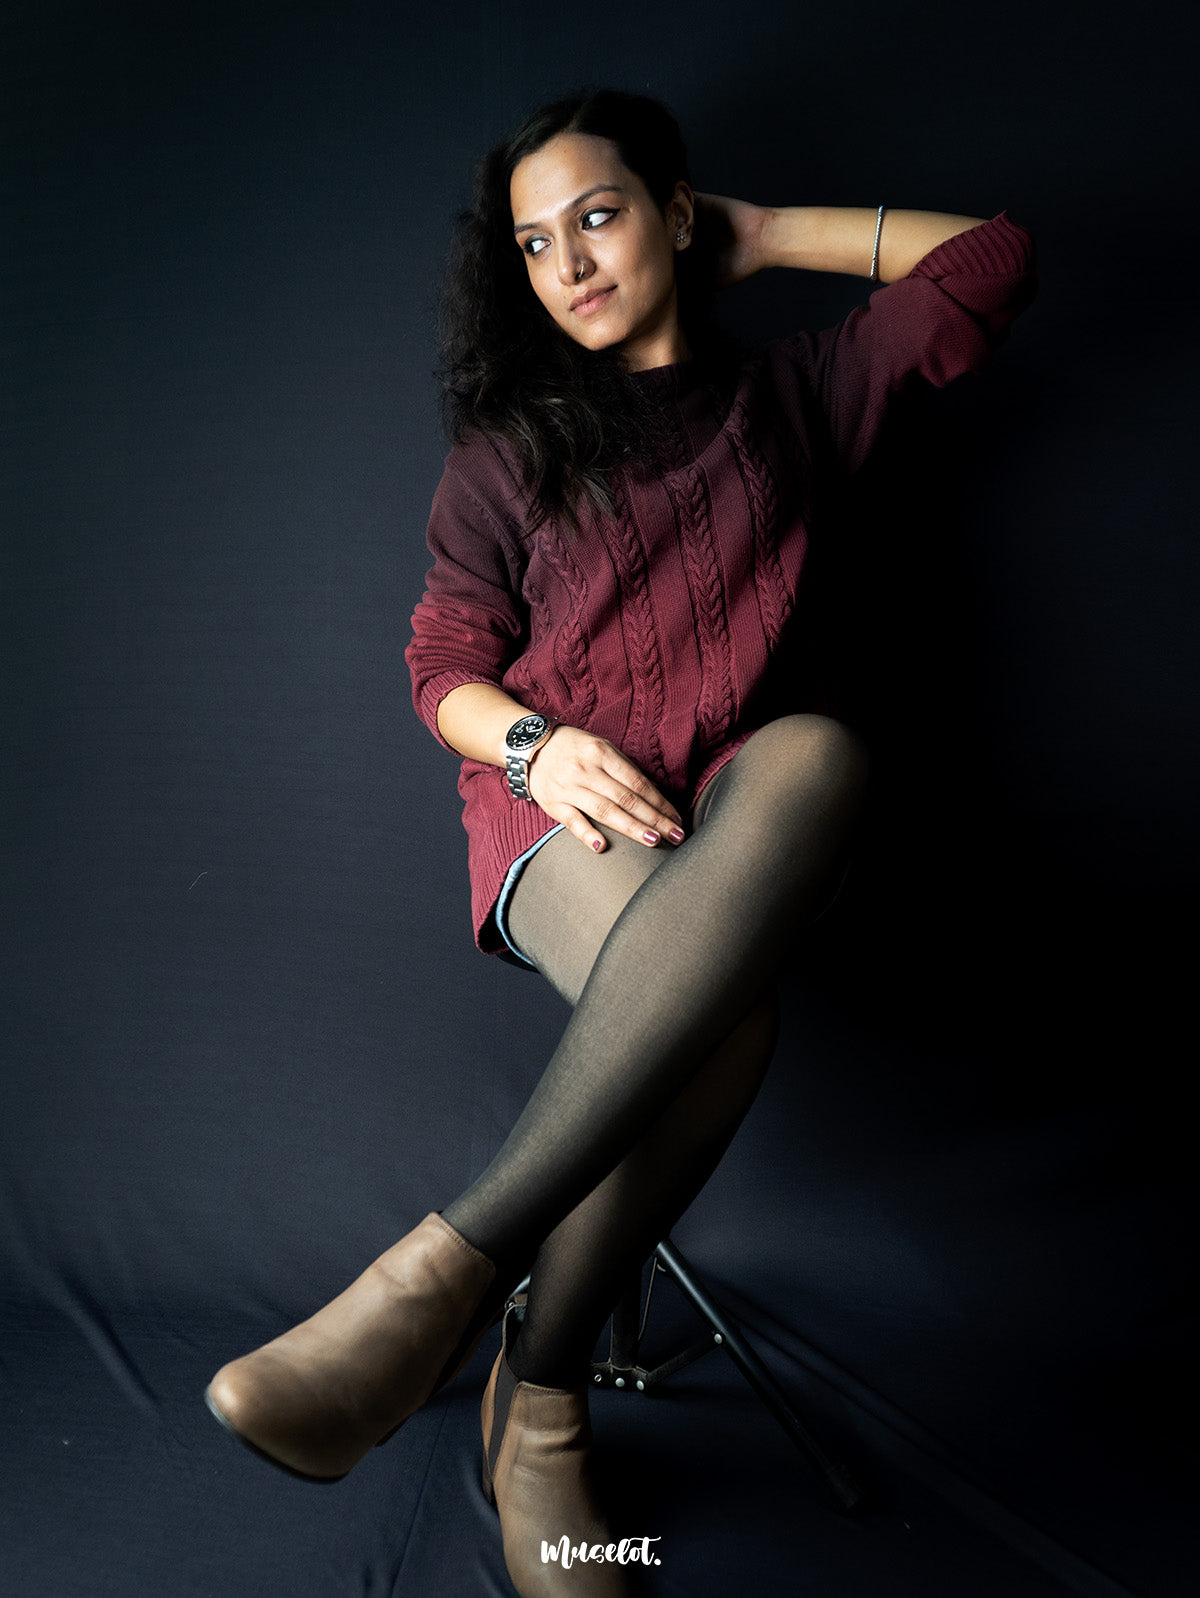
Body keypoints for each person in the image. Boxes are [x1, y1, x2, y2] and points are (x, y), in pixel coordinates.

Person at [206, 90, 1035, 1597]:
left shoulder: (802, 388)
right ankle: (545, 1411)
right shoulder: (508, 449)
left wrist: (768, 235)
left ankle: (443, 1278)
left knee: (820, 753)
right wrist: (540, 741)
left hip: (736, 819)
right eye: (534, 243)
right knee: (724, 1022)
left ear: (673, 211)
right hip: (560, 815)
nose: (570, 264)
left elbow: (992, 261)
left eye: (598, 215)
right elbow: (441, 666)